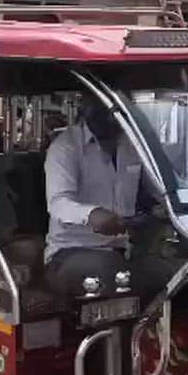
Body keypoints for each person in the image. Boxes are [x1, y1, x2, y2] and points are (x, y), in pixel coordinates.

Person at [44, 94, 159, 298]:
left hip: (125, 249)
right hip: (71, 251)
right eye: (101, 107)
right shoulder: (65, 147)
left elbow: (154, 189)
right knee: (114, 271)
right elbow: (58, 203)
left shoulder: (133, 146)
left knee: (178, 272)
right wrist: (92, 214)